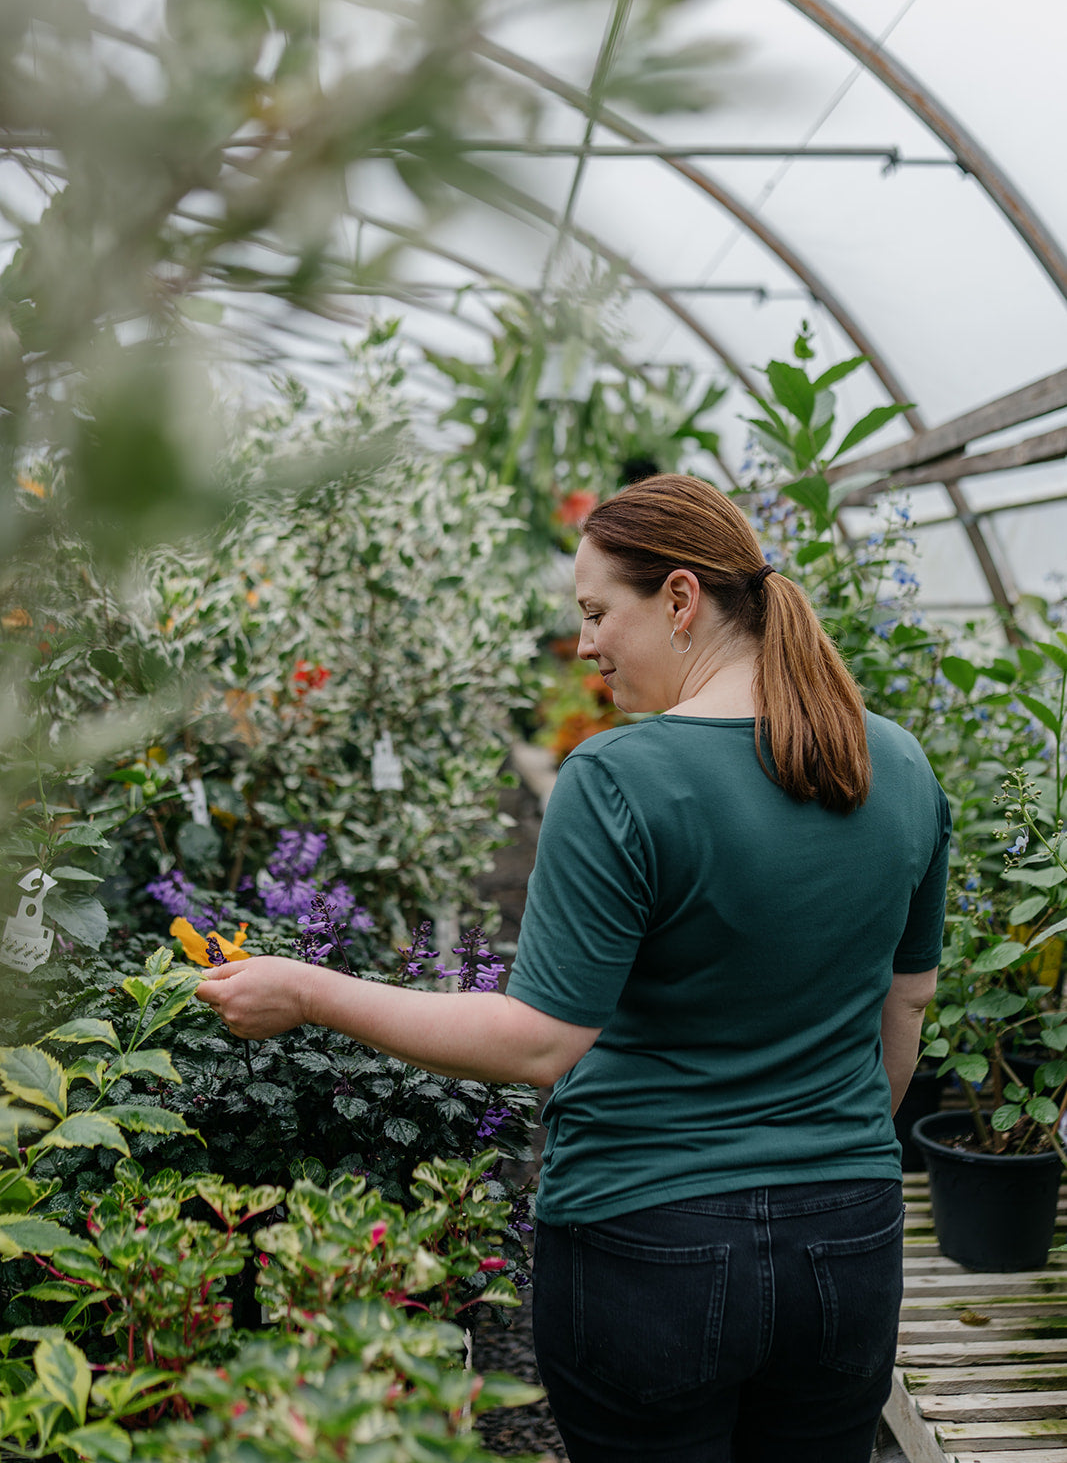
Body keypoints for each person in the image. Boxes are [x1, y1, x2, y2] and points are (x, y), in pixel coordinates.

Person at [197, 473, 950, 1463]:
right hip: (847, 1239)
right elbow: (905, 1011)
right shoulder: (896, 765)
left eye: (598, 612)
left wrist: (305, 988)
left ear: (679, 599)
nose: (584, 645)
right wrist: (821, 1148)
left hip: (653, 1247)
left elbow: (540, 1040)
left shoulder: (620, 777)